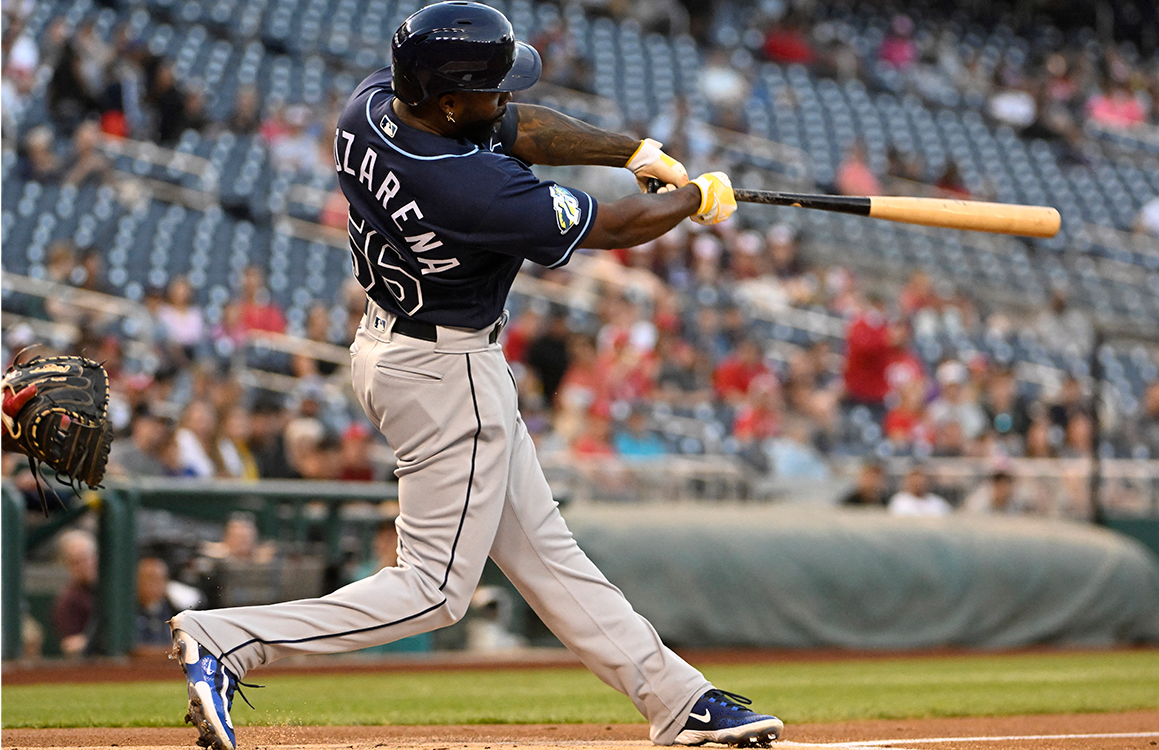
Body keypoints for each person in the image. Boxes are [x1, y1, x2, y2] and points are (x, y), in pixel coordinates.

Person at [168, 6, 779, 750]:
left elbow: (516, 126)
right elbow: (614, 230)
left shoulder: (369, 107)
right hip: (444, 372)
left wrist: (633, 151)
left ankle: (679, 700)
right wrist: (695, 199)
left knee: (547, 555)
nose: (504, 98)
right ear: (450, 102)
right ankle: (229, 641)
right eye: (489, 89)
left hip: (397, 346)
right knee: (432, 591)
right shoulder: (470, 188)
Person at [52, 529, 98, 657]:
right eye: (76, 562)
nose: (85, 566)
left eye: (87, 558)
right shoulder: (68, 599)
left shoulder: (114, 588)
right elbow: (70, 646)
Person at [887, 466, 952, 517]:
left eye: (921, 481)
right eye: (915, 481)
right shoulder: (899, 501)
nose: (918, 484)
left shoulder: (938, 503)